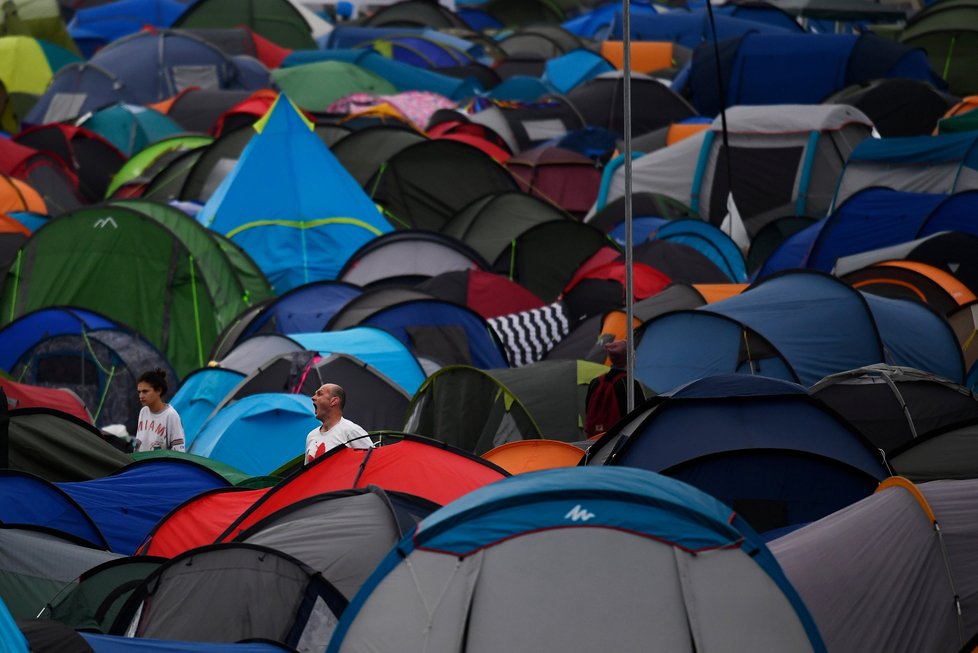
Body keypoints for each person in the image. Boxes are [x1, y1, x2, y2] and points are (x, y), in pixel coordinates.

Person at [305, 383, 372, 464]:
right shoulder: (311, 436)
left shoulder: (350, 430)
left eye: (319, 394)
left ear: (333, 401)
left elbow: (373, 460)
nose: (313, 397)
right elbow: (308, 472)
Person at [134, 368, 186, 452]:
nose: (141, 396)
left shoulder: (171, 415)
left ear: (158, 390)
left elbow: (179, 452)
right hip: (142, 463)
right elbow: (138, 444)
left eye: (145, 391)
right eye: (139, 392)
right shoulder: (143, 412)